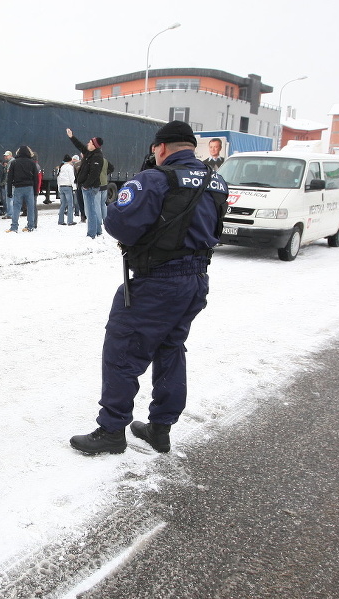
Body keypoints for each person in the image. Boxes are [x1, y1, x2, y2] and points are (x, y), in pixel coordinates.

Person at [70, 120, 229, 456]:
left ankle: (112, 430)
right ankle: (160, 428)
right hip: (196, 279)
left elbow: (118, 224)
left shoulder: (155, 179)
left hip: (158, 281)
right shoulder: (216, 181)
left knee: (122, 348)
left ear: (160, 148)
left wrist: (140, 186)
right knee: (170, 348)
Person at [66, 128, 105, 238]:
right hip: (87, 186)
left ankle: (91, 233)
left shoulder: (97, 157)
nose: (88, 143)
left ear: (94, 145)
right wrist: (71, 137)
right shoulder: (89, 153)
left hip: (90, 187)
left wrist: (86, 185)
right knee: (92, 210)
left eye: (90, 142)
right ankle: (98, 231)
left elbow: (94, 173)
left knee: (90, 211)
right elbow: (80, 145)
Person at [6, 145, 39, 232]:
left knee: (16, 207)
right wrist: (36, 191)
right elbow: (36, 178)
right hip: (29, 187)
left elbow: (9, 178)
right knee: (30, 207)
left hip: (18, 187)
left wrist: (9, 191)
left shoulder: (14, 163)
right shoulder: (32, 163)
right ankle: (30, 226)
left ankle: (14, 227)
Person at [57, 154, 77, 225]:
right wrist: (74, 187)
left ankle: (60, 220)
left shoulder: (61, 167)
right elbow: (72, 178)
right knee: (70, 204)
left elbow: (58, 178)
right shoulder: (70, 167)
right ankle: (70, 221)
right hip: (68, 187)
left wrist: (59, 187)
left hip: (61, 187)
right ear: (70, 160)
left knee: (63, 204)